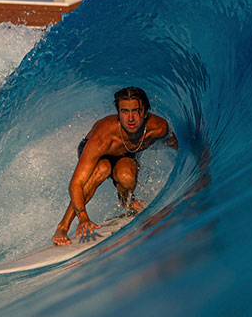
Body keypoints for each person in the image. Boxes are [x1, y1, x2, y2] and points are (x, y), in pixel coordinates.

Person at [52, 86, 177, 246]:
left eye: (135, 111)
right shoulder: (102, 137)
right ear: (118, 114)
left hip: (125, 153)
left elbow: (176, 146)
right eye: (124, 111)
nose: (130, 118)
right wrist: (83, 218)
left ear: (145, 112)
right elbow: (75, 184)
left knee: (127, 177)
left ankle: (127, 202)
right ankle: (63, 225)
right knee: (103, 169)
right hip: (99, 152)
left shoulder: (158, 128)